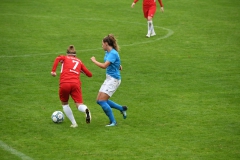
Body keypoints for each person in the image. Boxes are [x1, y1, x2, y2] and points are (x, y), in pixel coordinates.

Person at [90, 34, 128, 127]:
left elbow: (104, 66)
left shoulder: (113, 53)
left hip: (114, 80)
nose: (102, 45)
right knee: (99, 100)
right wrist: (118, 66)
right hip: (109, 78)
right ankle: (121, 108)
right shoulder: (108, 52)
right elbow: (115, 62)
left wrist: (94, 60)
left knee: (102, 101)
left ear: (106, 44)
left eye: (102, 44)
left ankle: (113, 122)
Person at [51, 45, 92, 128]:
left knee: (65, 103)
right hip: (76, 84)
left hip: (64, 83)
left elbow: (57, 58)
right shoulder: (79, 62)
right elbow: (89, 74)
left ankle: (74, 123)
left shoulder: (64, 58)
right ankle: (85, 110)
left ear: (67, 54)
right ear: (75, 55)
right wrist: (80, 71)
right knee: (79, 104)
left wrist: (53, 71)